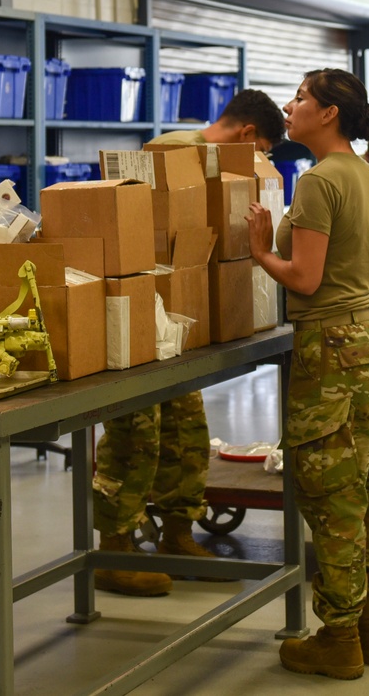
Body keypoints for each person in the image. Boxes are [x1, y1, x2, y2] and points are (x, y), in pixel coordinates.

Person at [92, 89, 286, 597]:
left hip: (180, 317)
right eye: (262, 147)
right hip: (142, 314)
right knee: (137, 434)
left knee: (186, 431)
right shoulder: (172, 152)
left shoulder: (216, 166)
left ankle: (178, 534)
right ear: (247, 135)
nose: (261, 159)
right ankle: (115, 549)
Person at [246, 69, 369, 681]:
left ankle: (339, 637)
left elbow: (306, 279)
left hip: (332, 349)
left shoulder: (317, 181)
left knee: (332, 497)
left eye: (302, 99)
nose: (289, 107)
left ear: (330, 112)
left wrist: (262, 250)